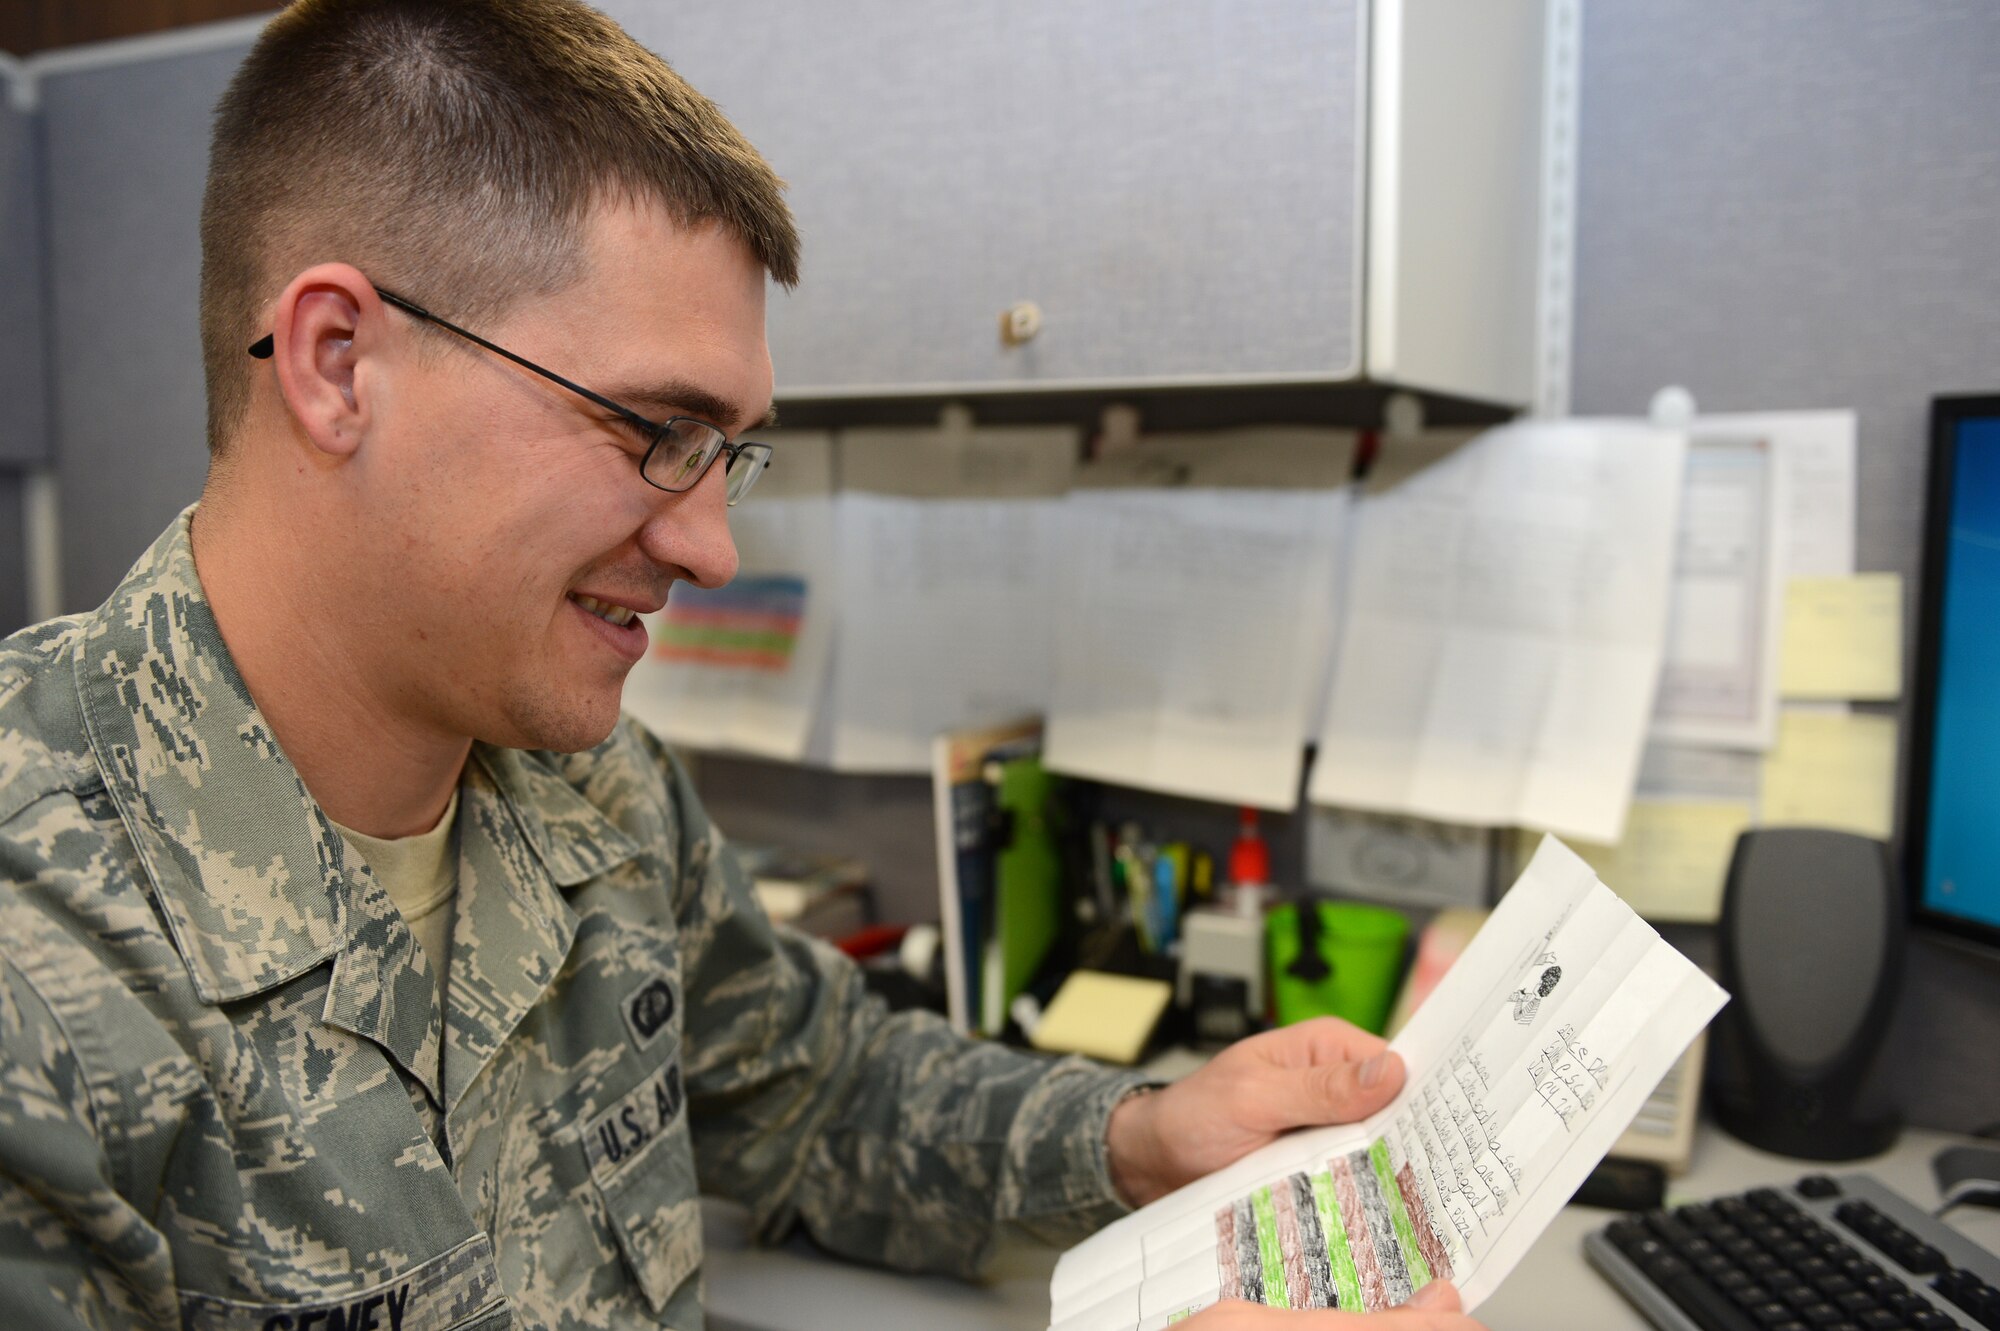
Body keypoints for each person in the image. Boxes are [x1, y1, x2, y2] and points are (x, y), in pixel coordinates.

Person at [0, 2, 1485, 1328]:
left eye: (728, 452)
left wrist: (1141, 1139)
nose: (711, 548)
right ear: (338, 363)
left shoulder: (590, 792)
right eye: (658, 430)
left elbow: (818, 1090)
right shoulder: (39, 962)